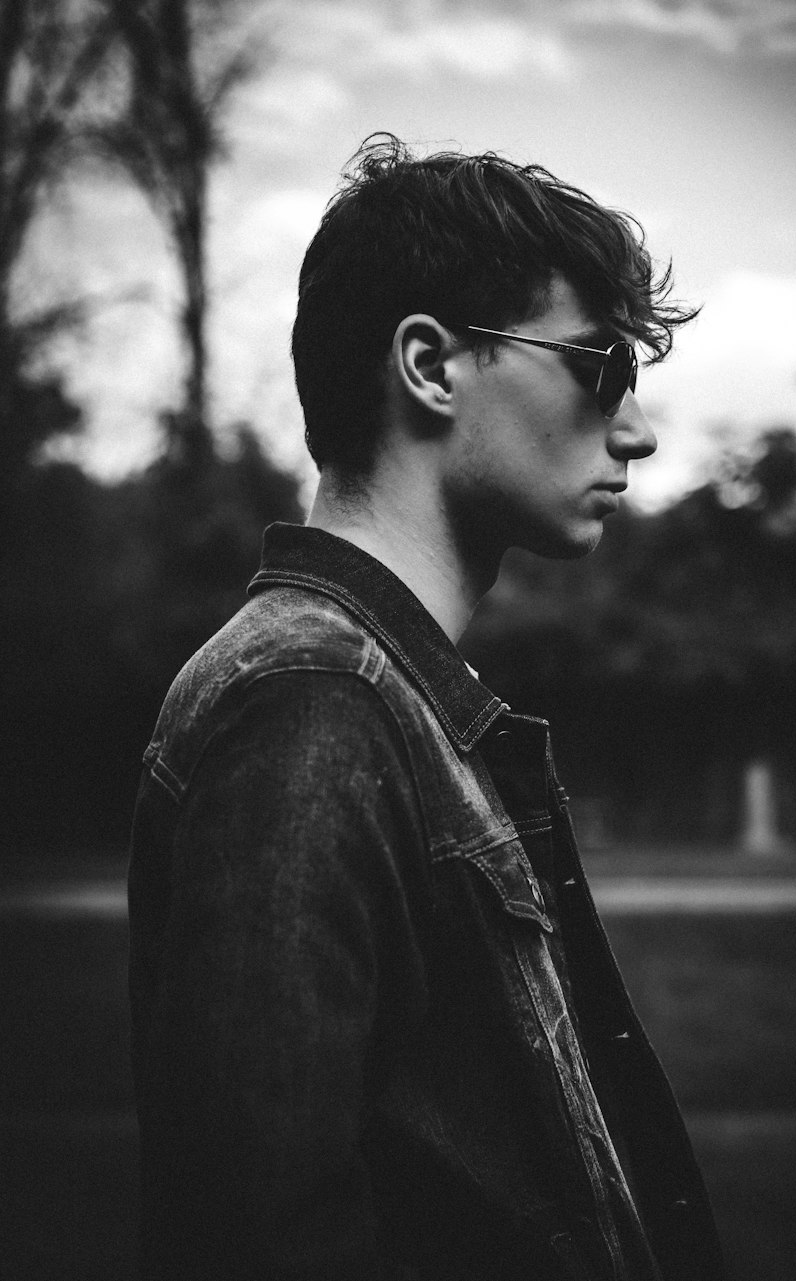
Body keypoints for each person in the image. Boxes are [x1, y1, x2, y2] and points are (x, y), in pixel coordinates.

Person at [128, 133, 726, 1281]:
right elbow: (259, 1238)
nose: (640, 430)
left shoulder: (374, 695)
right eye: (598, 366)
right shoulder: (310, 703)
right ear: (431, 366)